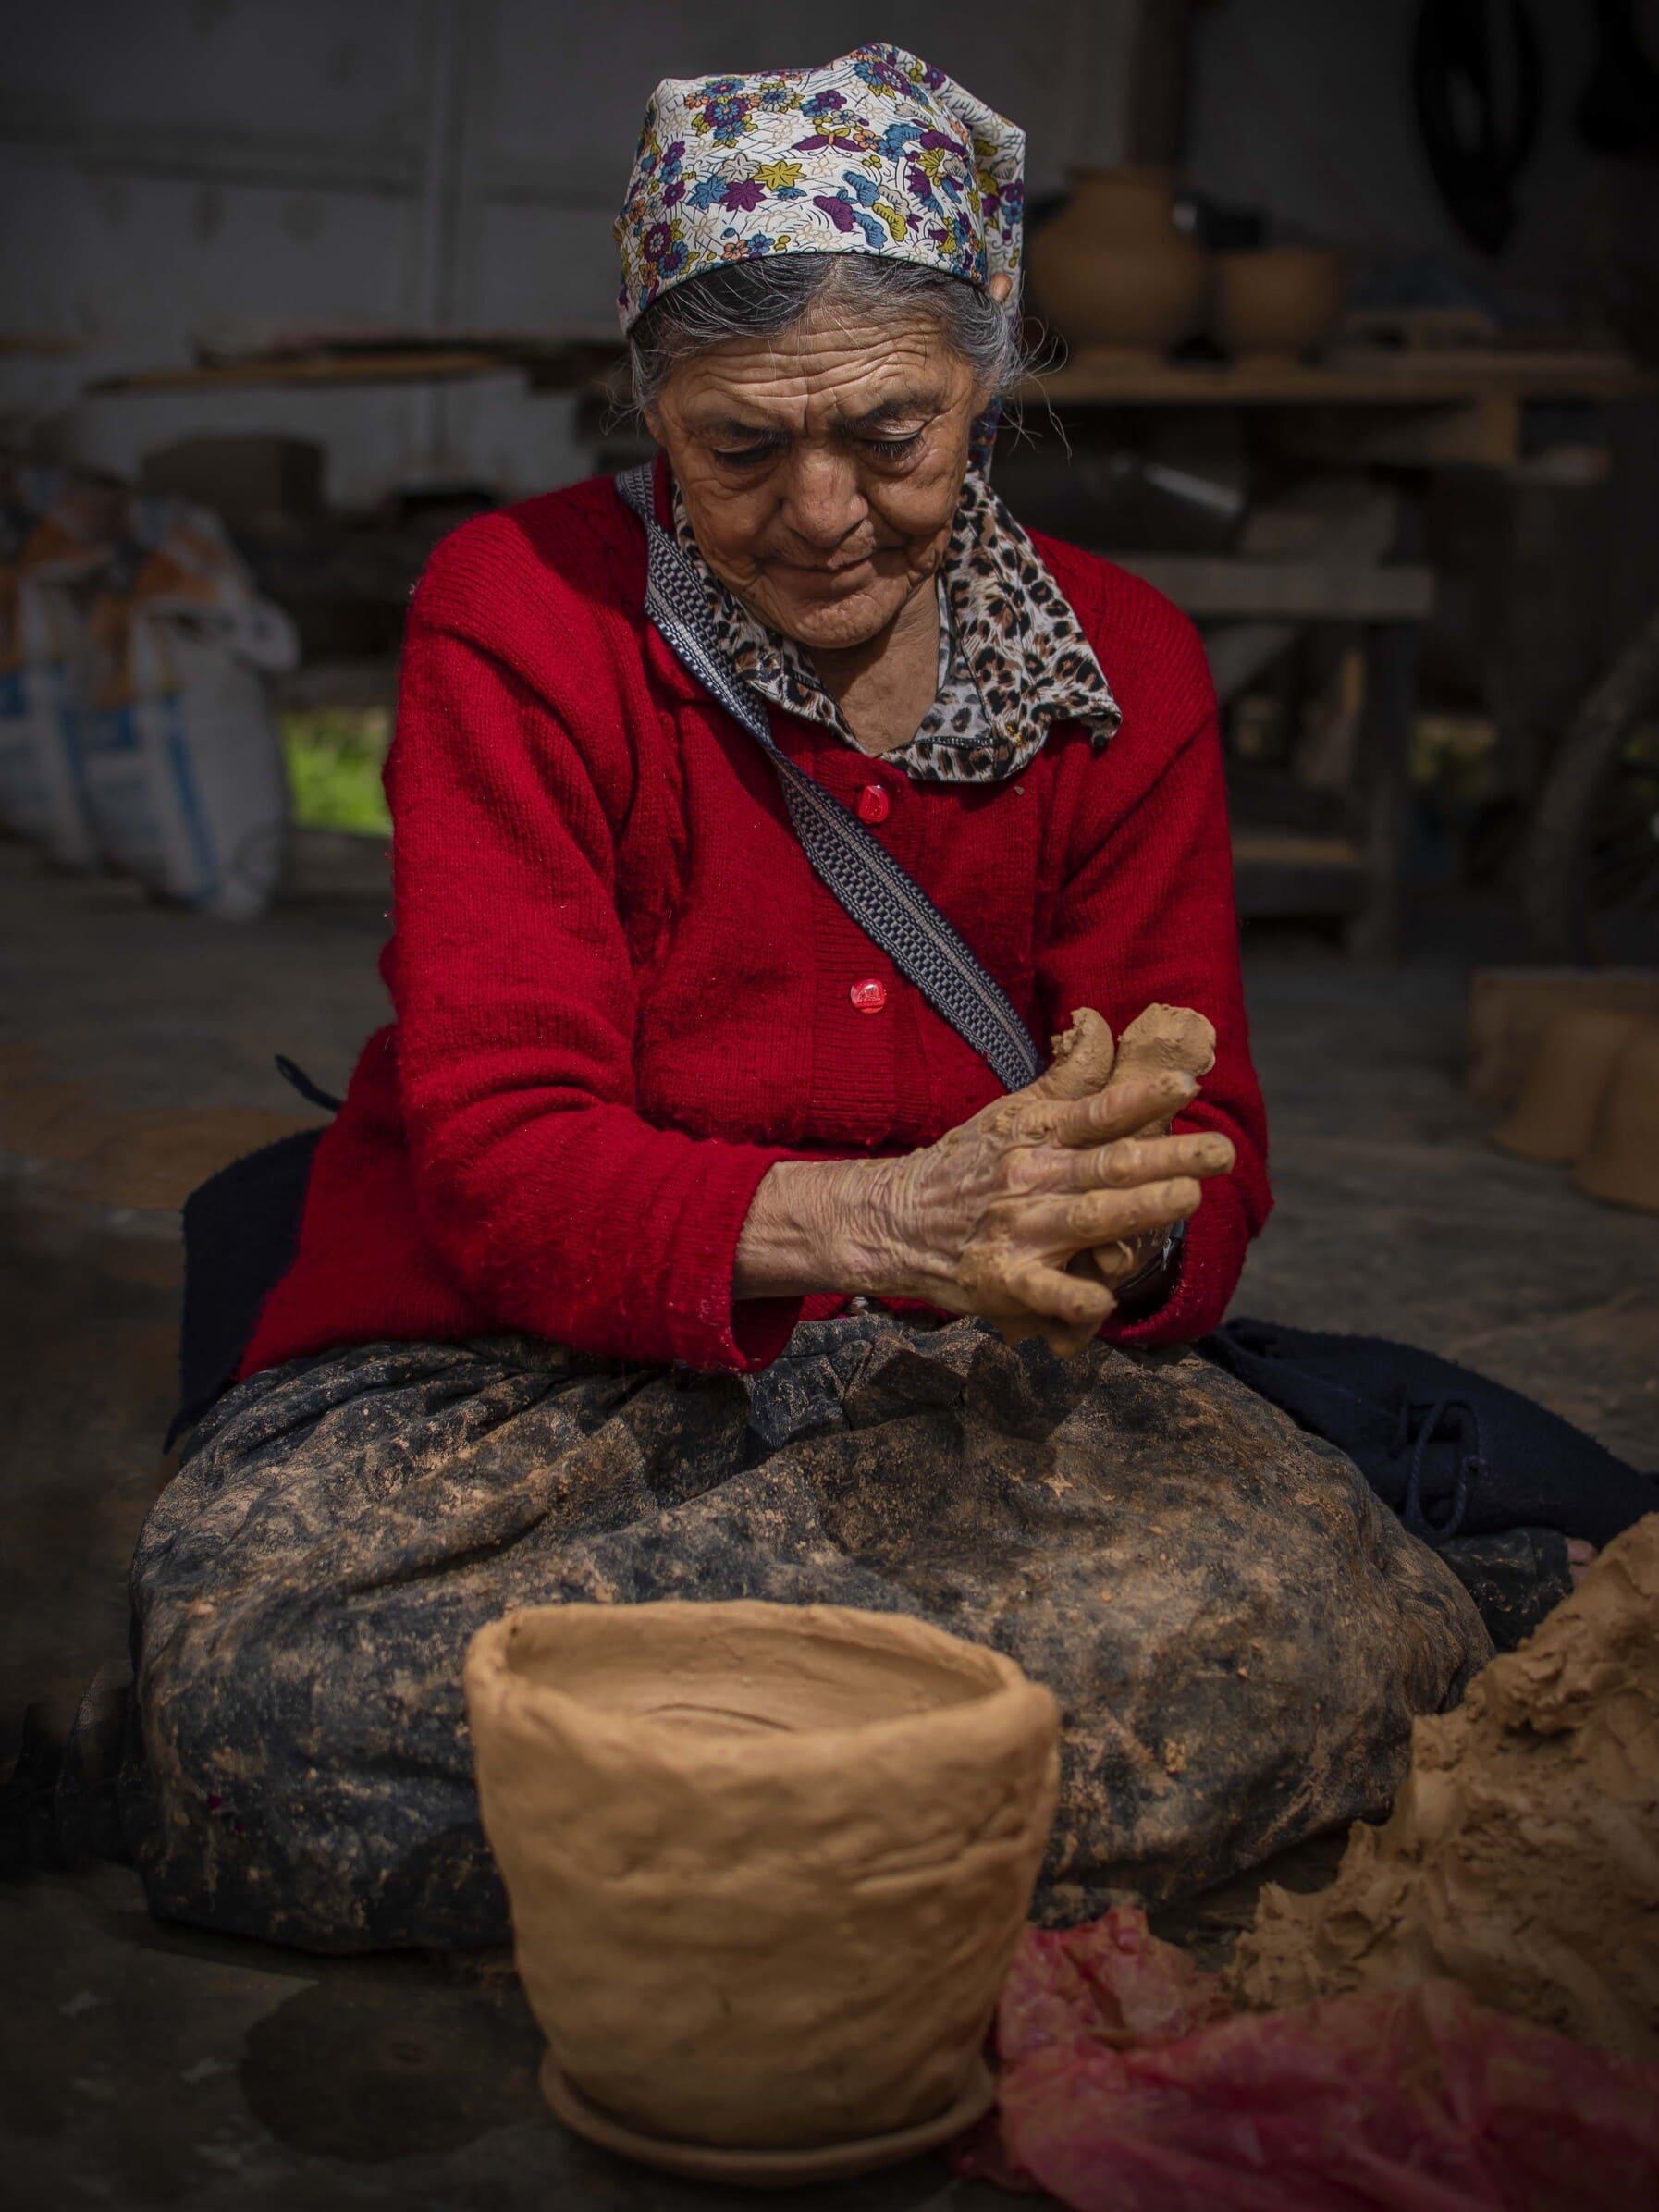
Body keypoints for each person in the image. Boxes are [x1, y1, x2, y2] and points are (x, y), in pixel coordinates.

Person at [122, 44, 1432, 1957]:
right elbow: (497, 1152)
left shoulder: (1125, 669)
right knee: (257, 1678)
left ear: (988, 380)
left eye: (893, 433)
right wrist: (878, 1213)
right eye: (741, 445)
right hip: (537, 1362)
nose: (822, 510)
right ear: (653, 404)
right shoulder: (519, 610)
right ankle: (873, 1846)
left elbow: (1203, 1165)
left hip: (948, 1379)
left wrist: (1100, 1222)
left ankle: (672, 1847)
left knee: (1310, 1630)